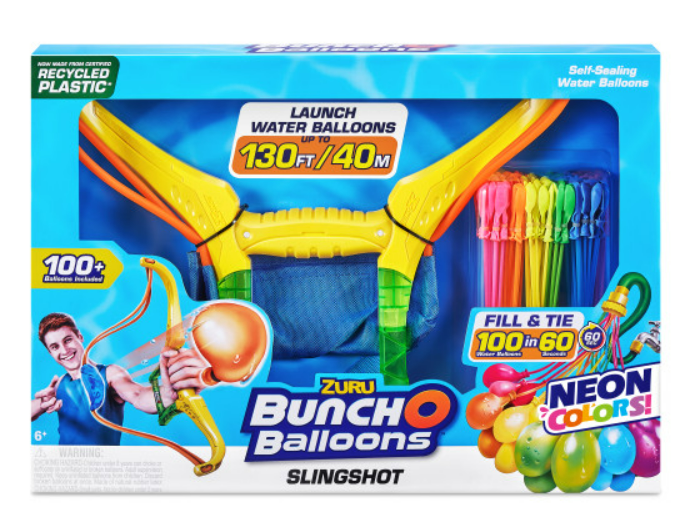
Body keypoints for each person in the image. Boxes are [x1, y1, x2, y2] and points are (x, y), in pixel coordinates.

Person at [31, 312, 208, 445]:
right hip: (65, 472)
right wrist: (42, 403)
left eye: (68, 340)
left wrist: (170, 392)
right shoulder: (59, 385)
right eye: (55, 347)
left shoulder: (110, 374)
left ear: (80, 337)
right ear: (50, 352)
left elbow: (139, 396)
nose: (64, 350)